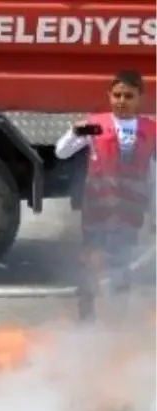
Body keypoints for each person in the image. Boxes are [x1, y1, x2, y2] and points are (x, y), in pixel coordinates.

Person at [55, 70, 157, 321]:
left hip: (130, 212)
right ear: (109, 96)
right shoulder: (94, 125)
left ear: (139, 98)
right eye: (117, 95)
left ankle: (118, 318)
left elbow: (153, 173)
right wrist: (74, 132)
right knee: (91, 261)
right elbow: (61, 152)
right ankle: (86, 317)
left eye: (128, 96)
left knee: (123, 264)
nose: (122, 100)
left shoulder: (152, 130)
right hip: (97, 208)